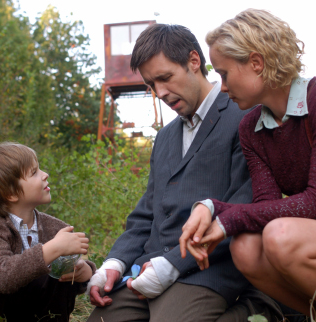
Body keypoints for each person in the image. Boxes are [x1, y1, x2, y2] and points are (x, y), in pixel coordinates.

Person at [179, 9, 316, 322]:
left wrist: (226, 219)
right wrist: (211, 207)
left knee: (281, 237)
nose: (221, 87)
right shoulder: (251, 127)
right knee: (246, 249)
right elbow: (266, 208)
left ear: (256, 63)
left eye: (224, 74)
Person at [86, 24, 284, 322]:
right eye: (152, 84)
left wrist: (171, 264)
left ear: (194, 61)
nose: (161, 92)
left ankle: (266, 305)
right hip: (146, 272)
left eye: (166, 77)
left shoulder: (243, 116)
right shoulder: (164, 138)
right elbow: (145, 215)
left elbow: (247, 207)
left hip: (210, 270)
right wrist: (113, 264)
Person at [0, 142, 95, 322]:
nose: (45, 174)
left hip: (37, 313)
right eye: (34, 172)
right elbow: (2, 277)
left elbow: (68, 284)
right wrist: (53, 249)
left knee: (56, 271)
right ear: (10, 193)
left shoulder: (55, 228)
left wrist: (84, 272)